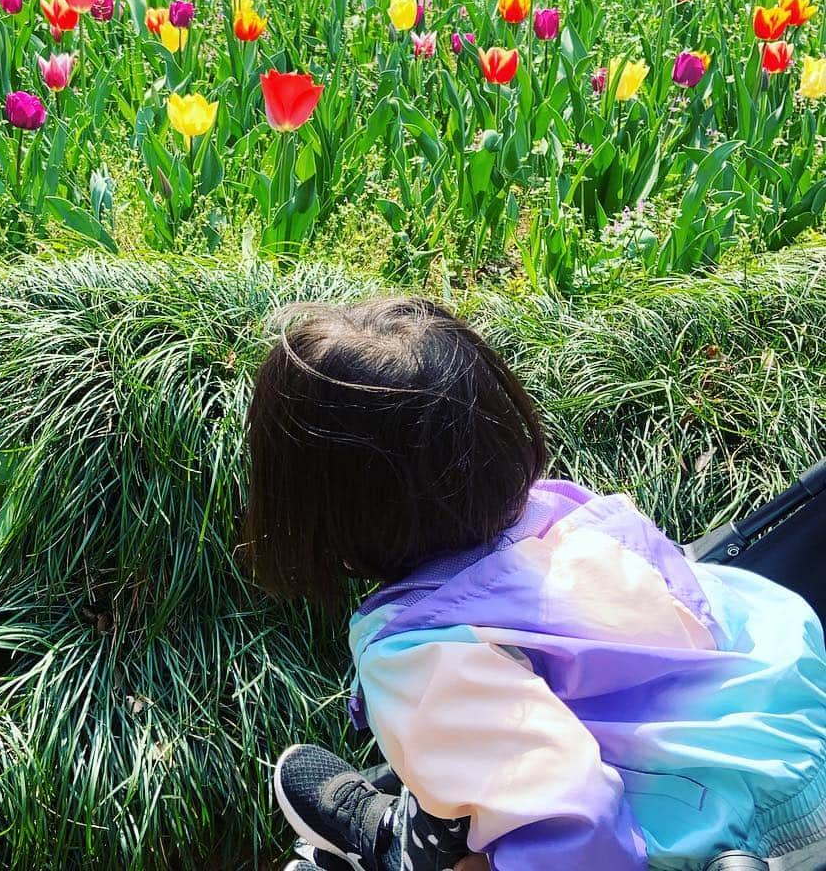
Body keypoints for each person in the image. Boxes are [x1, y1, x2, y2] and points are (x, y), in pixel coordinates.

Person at [243, 298, 826, 871]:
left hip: (724, 831)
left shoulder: (426, 654)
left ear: (312, 509)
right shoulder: (567, 512)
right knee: (487, 731)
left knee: (487, 779)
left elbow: (573, 823)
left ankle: (408, 845)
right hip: (789, 730)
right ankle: (439, 801)